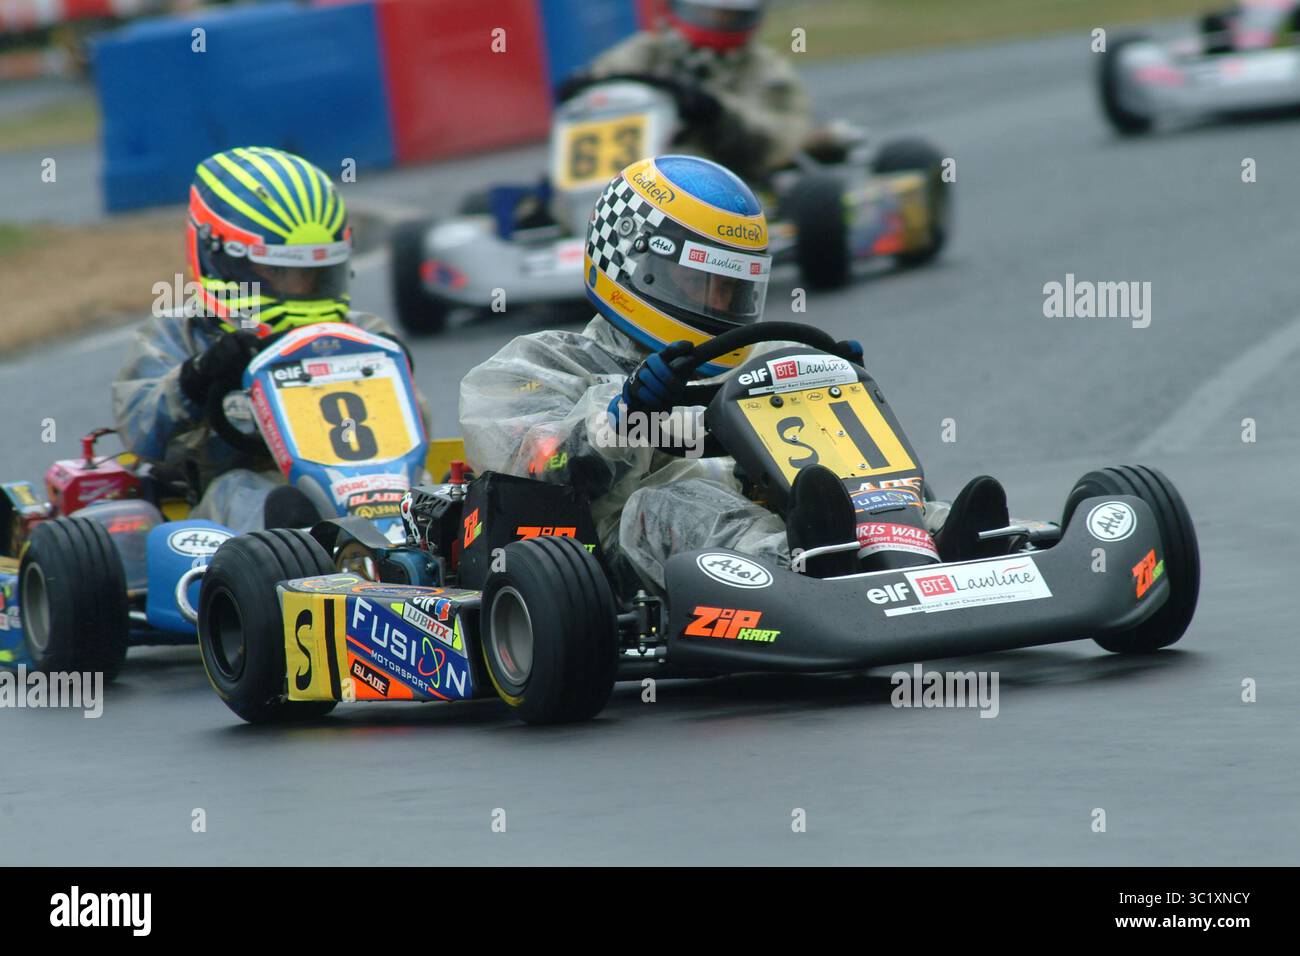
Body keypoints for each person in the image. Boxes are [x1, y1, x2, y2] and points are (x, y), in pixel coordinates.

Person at [461, 154, 1010, 594]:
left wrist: (830, 383)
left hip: (785, 507)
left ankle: (944, 539)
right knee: (673, 504)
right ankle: (811, 567)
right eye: (698, 284)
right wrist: (625, 415)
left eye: (732, 289)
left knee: (832, 466)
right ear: (637, 266)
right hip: (612, 553)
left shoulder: (759, 354)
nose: (718, 303)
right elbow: (537, 464)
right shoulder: (540, 362)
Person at [112, 146, 423, 532]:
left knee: (437, 495)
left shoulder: (364, 333)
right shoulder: (182, 333)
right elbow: (140, 431)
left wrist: (396, 371)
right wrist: (195, 380)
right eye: (277, 271)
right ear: (222, 259)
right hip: (239, 508)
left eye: (313, 274)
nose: (298, 288)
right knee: (245, 493)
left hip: (370, 489)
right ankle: (305, 556)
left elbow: (415, 431)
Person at [580, 0, 813, 182]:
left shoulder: (767, 71)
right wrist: (584, 89)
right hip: (626, 175)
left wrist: (716, 111)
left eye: (728, 16)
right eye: (707, 12)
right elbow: (598, 82)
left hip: (718, 183)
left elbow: (780, 142)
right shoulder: (649, 51)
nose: (716, 20)